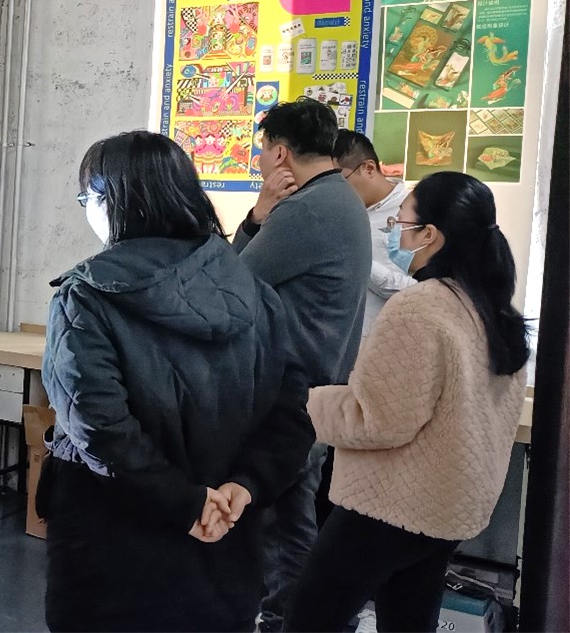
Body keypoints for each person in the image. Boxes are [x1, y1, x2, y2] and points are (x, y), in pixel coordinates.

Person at [40, 130, 314, 632]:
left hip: (111, 549)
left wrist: (185, 504)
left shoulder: (88, 296)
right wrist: (244, 486)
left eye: (86, 198)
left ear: (111, 200)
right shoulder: (255, 292)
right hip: (225, 541)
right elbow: (291, 413)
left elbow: (98, 425)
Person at [287, 173, 529, 632]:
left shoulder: (419, 307)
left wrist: (307, 402)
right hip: (450, 507)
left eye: (400, 222)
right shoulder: (492, 309)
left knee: (309, 618)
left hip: (390, 506)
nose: (393, 231)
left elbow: (378, 420)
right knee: (409, 618)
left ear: (429, 234)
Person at [232, 99, 371, 633]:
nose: (261, 160)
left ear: (281, 153)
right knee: (293, 522)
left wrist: (258, 215)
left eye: (263, 149)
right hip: (319, 390)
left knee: (269, 523)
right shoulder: (344, 199)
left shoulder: (307, 210)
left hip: (287, 398)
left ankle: (284, 621)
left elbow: (230, 286)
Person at [335, 129, 415, 337]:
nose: (333, 191)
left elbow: (421, 291)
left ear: (369, 168)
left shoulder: (413, 213)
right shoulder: (335, 211)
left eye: (340, 182)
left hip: (390, 341)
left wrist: (356, 258)